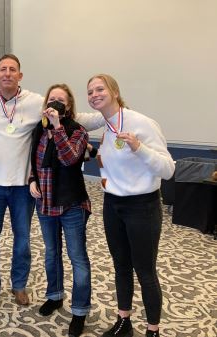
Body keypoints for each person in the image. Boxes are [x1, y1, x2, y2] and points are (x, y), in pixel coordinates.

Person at [0, 54, 104, 313]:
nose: (8, 73)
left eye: (13, 69)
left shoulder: (37, 103)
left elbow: (77, 118)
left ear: (20, 75)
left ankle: (19, 284)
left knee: (22, 240)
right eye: (3, 69)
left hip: (24, 186)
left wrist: (112, 111)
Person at [86, 74, 175, 337]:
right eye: (90, 91)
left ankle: (153, 330)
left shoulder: (142, 123)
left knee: (145, 271)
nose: (94, 95)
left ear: (114, 90)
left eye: (99, 89)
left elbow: (168, 170)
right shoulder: (107, 125)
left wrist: (139, 148)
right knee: (121, 266)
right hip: (113, 205)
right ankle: (124, 322)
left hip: (142, 207)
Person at [29, 84, 92, 337]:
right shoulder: (39, 129)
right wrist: (32, 180)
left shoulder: (78, 131)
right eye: (51, 99)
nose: (55, 103)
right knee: (51, 252)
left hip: (71, 203)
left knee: (77, 257)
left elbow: (69, 159)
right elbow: (33, 158)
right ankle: (55, 296)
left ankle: (79, 310)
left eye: (60, 100)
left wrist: (57, 127)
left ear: (68, 105)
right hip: (44, 202)